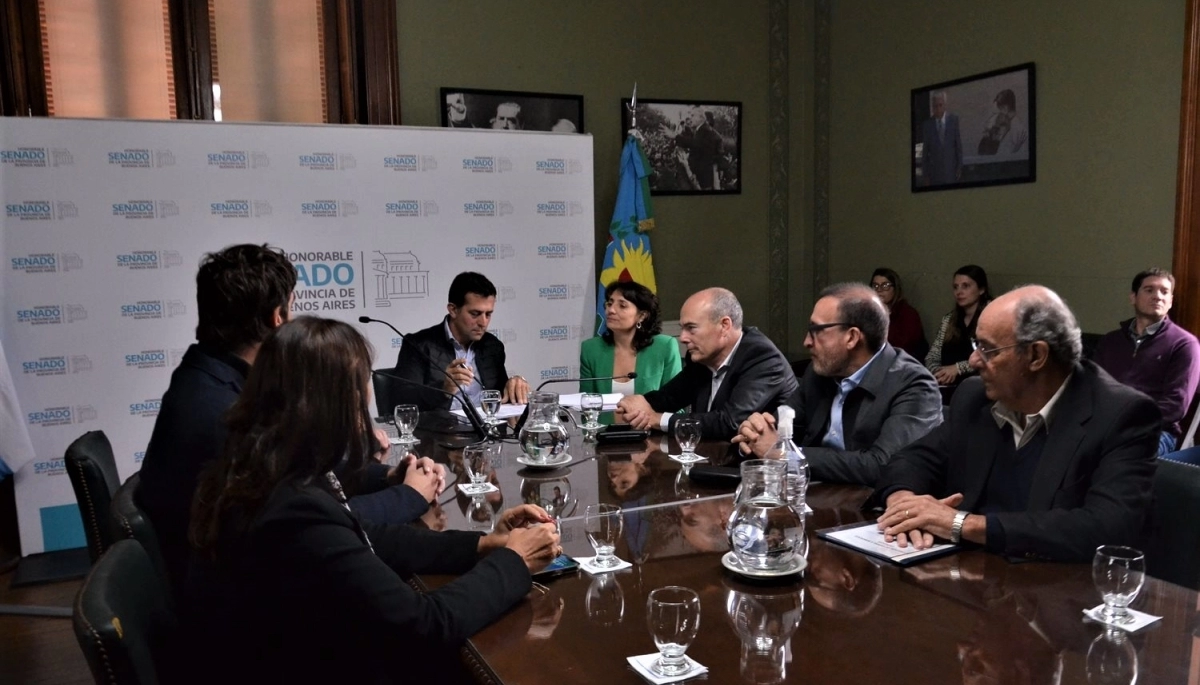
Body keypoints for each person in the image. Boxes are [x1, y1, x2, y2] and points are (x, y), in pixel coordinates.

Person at [183, 316, 561, 683]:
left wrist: (485, 544)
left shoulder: (264, 468)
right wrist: (515, 560)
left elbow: (368, 536)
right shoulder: (293, 508)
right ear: (331, 406)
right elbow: (423, 625)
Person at [138, 244, 442, 598]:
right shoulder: (225, 413)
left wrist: (385, 477)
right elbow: (317, 520)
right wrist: (408, 496)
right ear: (277, 319)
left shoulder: (207, 378)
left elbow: (306, 480)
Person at [875, 286, 1160, 563]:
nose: (973, 360)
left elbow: (1106, 527)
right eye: (976, 345)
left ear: (1036, 355)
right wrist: (904, 506)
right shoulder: (975, 397)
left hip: (1052, 582)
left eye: (987, 349)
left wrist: (962, 524)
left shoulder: (1120, 414)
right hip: (964, 570)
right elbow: (913, 459)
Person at [733, 283, 942, 486]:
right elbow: (775, 435)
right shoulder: (819, 373)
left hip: (875, 504)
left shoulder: (914, 385)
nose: (807, 342)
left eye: (816, 330)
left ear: (852, 337)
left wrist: (785, 454)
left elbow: (883, 466)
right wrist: (754, 435)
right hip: (815, 493)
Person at [616, 288, 797, 440]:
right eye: (682, 329)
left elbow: (729, 423)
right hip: (711, 459)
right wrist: (638, 403)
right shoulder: (702, 357)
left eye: (691, 328)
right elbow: (669, 397)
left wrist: (656, 419)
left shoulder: (762, 358)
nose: (683, 338)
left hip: (764, 465)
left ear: (724, 325)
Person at [1093, 268, 1200, 456]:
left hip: (1155, 431)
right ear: (1133, 297)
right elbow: (1091, 388)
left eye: (1164, 292)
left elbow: (1175, 406)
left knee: (1121, 456)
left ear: (1170, 301)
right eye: (1149, 290)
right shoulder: (1110, 341)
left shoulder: (1184, 344)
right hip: (1105, 425)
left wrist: (1125, 423)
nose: (1158, 296)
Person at [393, 271, 529, 411]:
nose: (483, 322)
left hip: (486, 424)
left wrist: (514, 384)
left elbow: (500, 396)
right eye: (475, 314)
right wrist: (444, 389)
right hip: (440, 425)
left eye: (488, 314)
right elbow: (402, 399)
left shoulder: (493, 346)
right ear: (453, 310)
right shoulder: (417, 345)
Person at [579, 280, 682, 396]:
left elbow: (675, 400)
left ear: (642, 316)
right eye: (609, 304)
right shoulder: (591, 349)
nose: (611, 310)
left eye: (622, 306)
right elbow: (586, 401)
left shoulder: (664, 346)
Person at [926, 264, 991, 387]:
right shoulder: (949, 319)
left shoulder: (992, 317)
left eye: (965, 286)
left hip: (980, 385)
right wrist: (939, 373)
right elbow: (932, 356)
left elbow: (991, 355)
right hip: (946, 385)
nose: (959, 292)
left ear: (981, 289)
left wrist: (958, 368)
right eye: (955, 287)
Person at [871, 267, 928, 360]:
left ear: (895, 288)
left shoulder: (908, 314)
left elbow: (904, 348)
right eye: (875, 286)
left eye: (885, 285)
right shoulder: (867, 313)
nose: (879, 290)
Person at [669, 106, 723, 190]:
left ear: (701, 118)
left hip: (702, 180)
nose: (690, 119)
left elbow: (695, 144)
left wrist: (675, 136)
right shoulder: (699, 131)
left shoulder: (705, 131)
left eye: (692, 115)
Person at [920, 90, 963, 185]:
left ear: (945, 105)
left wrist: (959, 167)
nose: (938, 109)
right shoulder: (927, 125)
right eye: (935, 106)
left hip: (951, 172)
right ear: (932, 107)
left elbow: (958, 146)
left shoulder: (953, 120)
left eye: (940, 105)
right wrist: (925, 175)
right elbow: (925, 153)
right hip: (935, 175)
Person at [978, 88, 1028, 155]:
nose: (994, 117)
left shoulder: (1014, 130)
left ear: (1005, 108)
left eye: (996, 112)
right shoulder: (1016, 126)